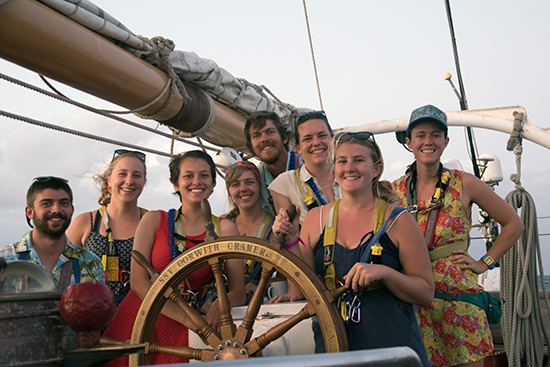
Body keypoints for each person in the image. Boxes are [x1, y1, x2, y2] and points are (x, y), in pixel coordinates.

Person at [274, 132, 433, 365]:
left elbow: (425, 292)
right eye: (342, 161)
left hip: (392, 352)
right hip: (334, 348)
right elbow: (304, 287)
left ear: (376, 169)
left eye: (358, 160)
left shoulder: (399, 220)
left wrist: (385, 273)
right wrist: (289, 239)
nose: (350, 167)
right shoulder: (315, 219)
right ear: (334, 169)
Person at [393, 105, 524, 367]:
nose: (428, 141)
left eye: (435, 135)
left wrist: (484, 263)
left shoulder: (465, 182)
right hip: (415, 305)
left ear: (445, 141)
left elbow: (514, 224)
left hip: (460, 303)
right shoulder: (394, 191)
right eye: (420, 135)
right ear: (409, 142)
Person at [102, 150, 246, 366]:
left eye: (204, 175)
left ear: (213, 183)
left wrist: (219, 305)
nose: (197, 181)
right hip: (142, 318)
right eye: (188, 176)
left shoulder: (225, 228)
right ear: (175, 184)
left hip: (191, 327)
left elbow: (238, 292)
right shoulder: (153, 220)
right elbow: (138, 282)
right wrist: (185, 317)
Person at [67, 149, 147, 305]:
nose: (129, 181)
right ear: (109, 180)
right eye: (122, 174)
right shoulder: (85, 222)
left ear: (144, 182)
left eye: (137, 175)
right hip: (91, 312)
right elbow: (62, 271)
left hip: (139, 317)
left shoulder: (152, 222)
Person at [0, 176, 104, 289]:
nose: (56, 210)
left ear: (72, 210)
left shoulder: (90, 262)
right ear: (30, 212)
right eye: (46, 203)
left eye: (64, 203)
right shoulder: (6, 259)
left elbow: (100, 305)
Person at [224, 160, 301, 303]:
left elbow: (287, 275)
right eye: (235, 184)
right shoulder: (222, 225)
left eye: (249, 182)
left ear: (259, 185)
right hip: (226, 307)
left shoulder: (275, 227)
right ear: (229, 190)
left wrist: (262, 285)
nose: (243, 188)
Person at [269, 110, 340, 224]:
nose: (316, 142)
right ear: (298, 148)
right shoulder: (284, 184)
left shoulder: (351, 173)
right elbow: (291, 236)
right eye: (307, 138)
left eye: (322, 135)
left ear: (332, 140)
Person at [244, 111, 301, 217]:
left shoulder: (306, 166)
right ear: (251, 146)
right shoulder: (255, 179)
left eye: (270, 132)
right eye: (256, 136)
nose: (264, 139)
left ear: (284, 137)